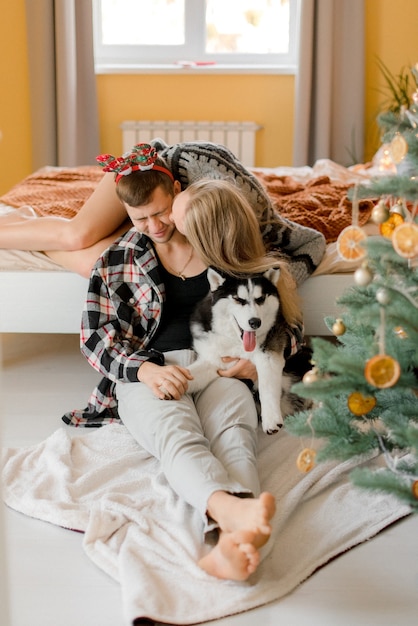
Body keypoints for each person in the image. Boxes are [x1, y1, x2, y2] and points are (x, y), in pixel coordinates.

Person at [68, 144, 306, 581]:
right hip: (153, 367)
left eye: (161, 212)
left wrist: (256, 366)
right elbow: (96, 337)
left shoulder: (215, 239)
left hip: (218, 365)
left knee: (235, 435)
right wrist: (145, 371)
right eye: (139, 218)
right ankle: (232, 517)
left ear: (175, 193)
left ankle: (231, 545)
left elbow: (286, 326)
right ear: (125, 213)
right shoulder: (117, 260)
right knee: (178, 436)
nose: (154, 226)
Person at [0, 139, 326, 283]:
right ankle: (18, 225)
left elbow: (309, 243)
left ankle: (34, 235)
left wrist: (276, 284)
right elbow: (314, 240)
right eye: (175, 215)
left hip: (165, 194)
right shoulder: (178, 185)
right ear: (180, 192)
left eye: (175, 223)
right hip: (146, 173)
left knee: (96, 262)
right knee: (77, 235)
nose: (161, 228)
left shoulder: (254, 225)